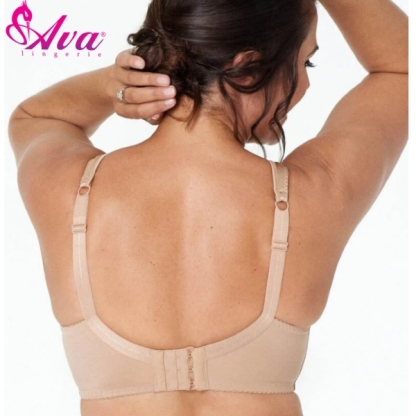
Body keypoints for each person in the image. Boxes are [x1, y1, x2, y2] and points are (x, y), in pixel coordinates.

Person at [8, 0, 408, 415]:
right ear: (247, 68)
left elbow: (35, 118)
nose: (304, 86)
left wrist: (113, 86)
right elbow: (403, 67)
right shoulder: (314, 194)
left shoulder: (69, 191)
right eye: (305, 63)